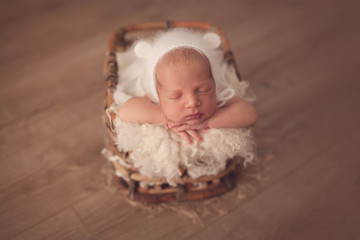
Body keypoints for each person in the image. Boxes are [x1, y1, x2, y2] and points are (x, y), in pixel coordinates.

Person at [116, 29, 257, 144]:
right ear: (158, 94)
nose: (192, 102)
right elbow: (126, 111)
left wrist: (209, 122)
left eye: (203, 90)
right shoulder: (155, 97)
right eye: (176, 96)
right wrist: (168, 119)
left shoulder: (218, 93)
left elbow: (249, 113)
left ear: (213, 83)